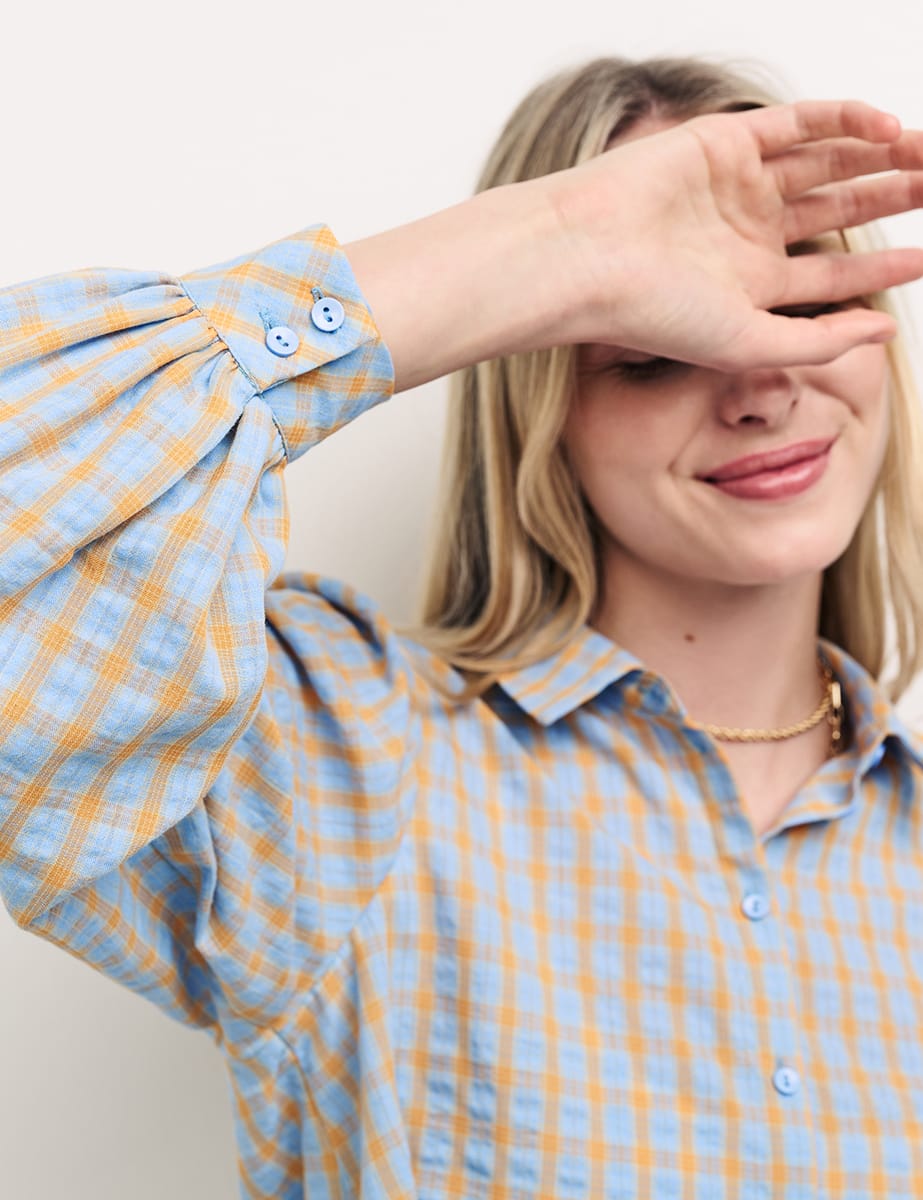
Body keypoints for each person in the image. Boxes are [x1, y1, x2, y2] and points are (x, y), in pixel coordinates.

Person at [2, 53, 923, 1198]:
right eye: (649, 355)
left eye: (803, 308)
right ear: (538, 405)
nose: (758, 386)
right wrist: (557, 246)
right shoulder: (336, 757)